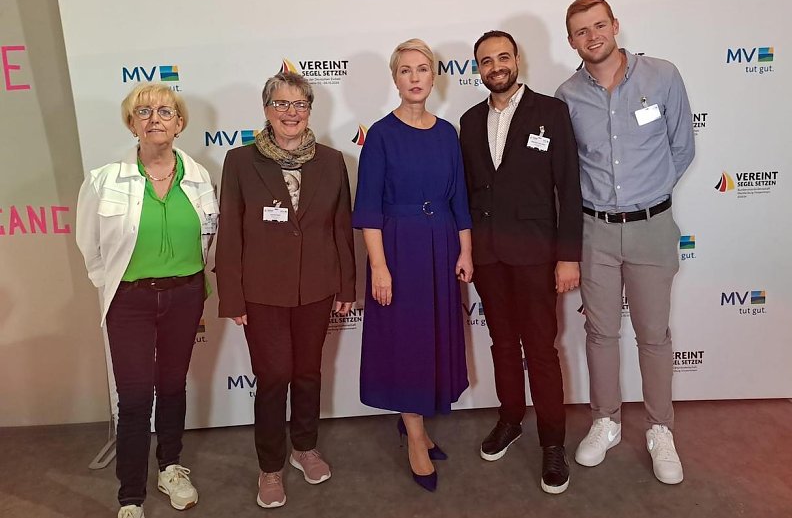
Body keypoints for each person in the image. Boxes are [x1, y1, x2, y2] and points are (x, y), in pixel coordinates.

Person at [555, 0, 695, 485]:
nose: (591, 36)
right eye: (580, 31)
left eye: (598, 25)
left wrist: (647, 197)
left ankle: (660, 430)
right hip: (594, 231)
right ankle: (606, 420)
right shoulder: (567, 95)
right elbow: (569, 170)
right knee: (601, 334)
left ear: (615, 25)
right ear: (570, 39)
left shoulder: (662, 76)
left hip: (653, 228)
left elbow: (682, 146)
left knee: (654, 336)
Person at [76, 83, 218, 518]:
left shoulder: (199, 177)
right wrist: (117, 286)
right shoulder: (105, 179)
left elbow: (208, 239)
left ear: (179, 123)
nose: (155, 117)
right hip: (130, 302)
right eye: (144, 111)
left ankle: (172, 468)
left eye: (165, 111)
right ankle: (130, 495)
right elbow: (90, 248)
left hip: (185, 295)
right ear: (132, 123)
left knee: (172, 387)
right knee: (135, 397)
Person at [215, 71, 355, 508]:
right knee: (274, 377)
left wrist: (346, 284)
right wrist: (232, 296)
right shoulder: (239, 161)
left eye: (299, 105)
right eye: (281, 104)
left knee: (308, 372)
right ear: (266, 110)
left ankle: (304, 448)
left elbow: (341, 228)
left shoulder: (332, 161)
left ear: (310, 111)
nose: (290, 113)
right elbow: (231, 235)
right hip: (261, 292)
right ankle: (270, 467)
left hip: (316, 287)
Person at [458, 30, 583, 494]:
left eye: (503, 57)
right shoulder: (469, 122)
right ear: (479, 69)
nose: (496, 67)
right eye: (486, 61)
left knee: (542, 351)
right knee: (502, 346)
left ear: (517, 60)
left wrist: (568, 256)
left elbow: (569, 189)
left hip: (536, 256)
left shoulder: (550, 112)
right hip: (489, 257)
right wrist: (466, 251)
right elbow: (467, 193)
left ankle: (553, 443)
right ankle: (510, 419)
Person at [353, 38, 473, 492]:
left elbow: (459, 197)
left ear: (434, 76)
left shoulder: (447, 133)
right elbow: (368, 208)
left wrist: (465, 251)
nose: (416, 77)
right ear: (395, 79)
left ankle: (415, 418)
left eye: (423, 69)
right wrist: (379, 268)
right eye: (406, 70)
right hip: (399, 249)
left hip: (442, 244)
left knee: (432, 336)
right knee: (405, 339)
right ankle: (416, 435)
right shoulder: (381, 134)